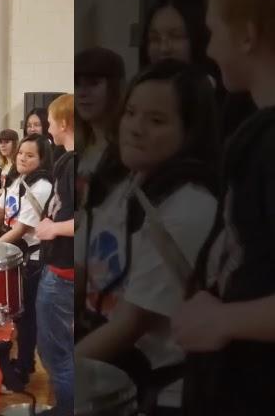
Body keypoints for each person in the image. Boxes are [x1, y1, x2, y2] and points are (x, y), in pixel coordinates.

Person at [75, 60, 220, 414]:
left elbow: (130, 324)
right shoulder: (126, 185)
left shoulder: (189, 206)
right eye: (131, 113)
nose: (135, 128)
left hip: (159, 390)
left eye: (156, 121)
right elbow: (80, 269)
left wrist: (59, 372)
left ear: (190, 132)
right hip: (105, 362)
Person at [171, 0, 275, 415]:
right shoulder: (257, 129)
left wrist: (223, 320)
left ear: (248, 35)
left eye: (213, 33)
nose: (209, 50)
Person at [0, 133, 53, 384]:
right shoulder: (18, 181)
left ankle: (26, 366)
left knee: (27, 317)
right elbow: (1, 208)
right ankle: (22, 361)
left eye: (30, 155)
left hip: (33, 259)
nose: (23, 158)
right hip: (16, 254)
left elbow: (20, 230)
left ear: (42, 158)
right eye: (21, 154)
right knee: (18, 313)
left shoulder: (42, 186)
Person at [140, 0, 255, 141]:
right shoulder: (141, 96)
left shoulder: (230, 102)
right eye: (155, 39)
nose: (164, 48)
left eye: (176, 36)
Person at [34, 93, 75, 416]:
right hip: (62, 270)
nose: (48, 128)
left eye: (49, 122)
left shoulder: (76, 164)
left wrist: (53, 229)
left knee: (56, 353)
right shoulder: (70, 160)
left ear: (63, 123)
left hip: (63, 273)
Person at [75, 47, 125, 210]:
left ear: (114, 88)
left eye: (93, 83)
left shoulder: (127, 151)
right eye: (77, 84)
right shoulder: (81, 148)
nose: (82, 93)